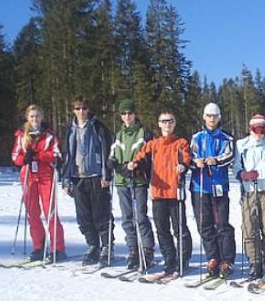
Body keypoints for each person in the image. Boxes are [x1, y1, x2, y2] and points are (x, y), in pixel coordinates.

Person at [128, 110, 192, 276]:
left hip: (175, 192)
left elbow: (186, 158)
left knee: (180, 229)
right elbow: (141, 157)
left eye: (170, 121)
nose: (167, 124)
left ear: (174, 123)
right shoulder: (153, 144)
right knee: (162, 229)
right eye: (164, 121)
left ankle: (182, 260)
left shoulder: (181, 143)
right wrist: (134, 164)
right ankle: (169, 260)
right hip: (158, 192)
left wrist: (183, 166)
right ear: (159, 124)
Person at [62, 96, 114, 266]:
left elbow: (107, 151)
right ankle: (93, 245)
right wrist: (66, 179)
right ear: (73, 110)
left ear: (88, 109)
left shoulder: (98, 127)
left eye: (84, 108)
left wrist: (106, 175)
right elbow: (67, 155)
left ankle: (107, 247)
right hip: (78, 177)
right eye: (77, 109)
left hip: (96, 176)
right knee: (84, 216)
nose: (81, 112)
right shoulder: (70, 129)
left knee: (101, 214)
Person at [11, 104, 66, 262]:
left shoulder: (49, 135)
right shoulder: (21, 135)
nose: (35, 119)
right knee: (32, 213)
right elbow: (15, 156)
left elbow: (56, 154)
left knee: (50, 212)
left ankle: (57, 248)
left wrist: (38, 155)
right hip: (29, 176)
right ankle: (38, 247)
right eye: (32, 116)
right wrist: (24, 159)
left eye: (37, 116)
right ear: (27, 118)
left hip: (46, 176)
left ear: (42, 117)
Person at [190, 102, 236, 279]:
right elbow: (190, 156)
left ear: (219, 117)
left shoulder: (226, 138)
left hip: (218, 185)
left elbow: (229, 155)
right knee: (204, 224)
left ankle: (227, 259)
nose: (211, 119)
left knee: (222, 224)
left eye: (215, 116)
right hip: (200, 186)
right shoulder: (197, 137)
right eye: (209, 115)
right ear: (204, 117)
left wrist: (215, 160)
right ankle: (213, 257)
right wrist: (196, 162)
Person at [108, 99, 155, 270]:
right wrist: (117, 165)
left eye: (130, 113)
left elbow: (149, 155)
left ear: (135, 114)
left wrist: (137, 165)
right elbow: (112, 156)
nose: (127, 116)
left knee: (140, 216)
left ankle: (147, 249)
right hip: (122, 181)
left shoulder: (143, 133)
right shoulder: (118, 135)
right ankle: (133, 249)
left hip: (138, 180)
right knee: (127, 217)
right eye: (124, 113)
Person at [234, 114, 265, 280]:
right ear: (250, 129)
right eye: (255, 129)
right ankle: (254, 262)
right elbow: (236, 165)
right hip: (249, 191)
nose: (259, 133)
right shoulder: (242, 145)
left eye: (262, 130)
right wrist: (243, 174)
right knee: (249, 227)